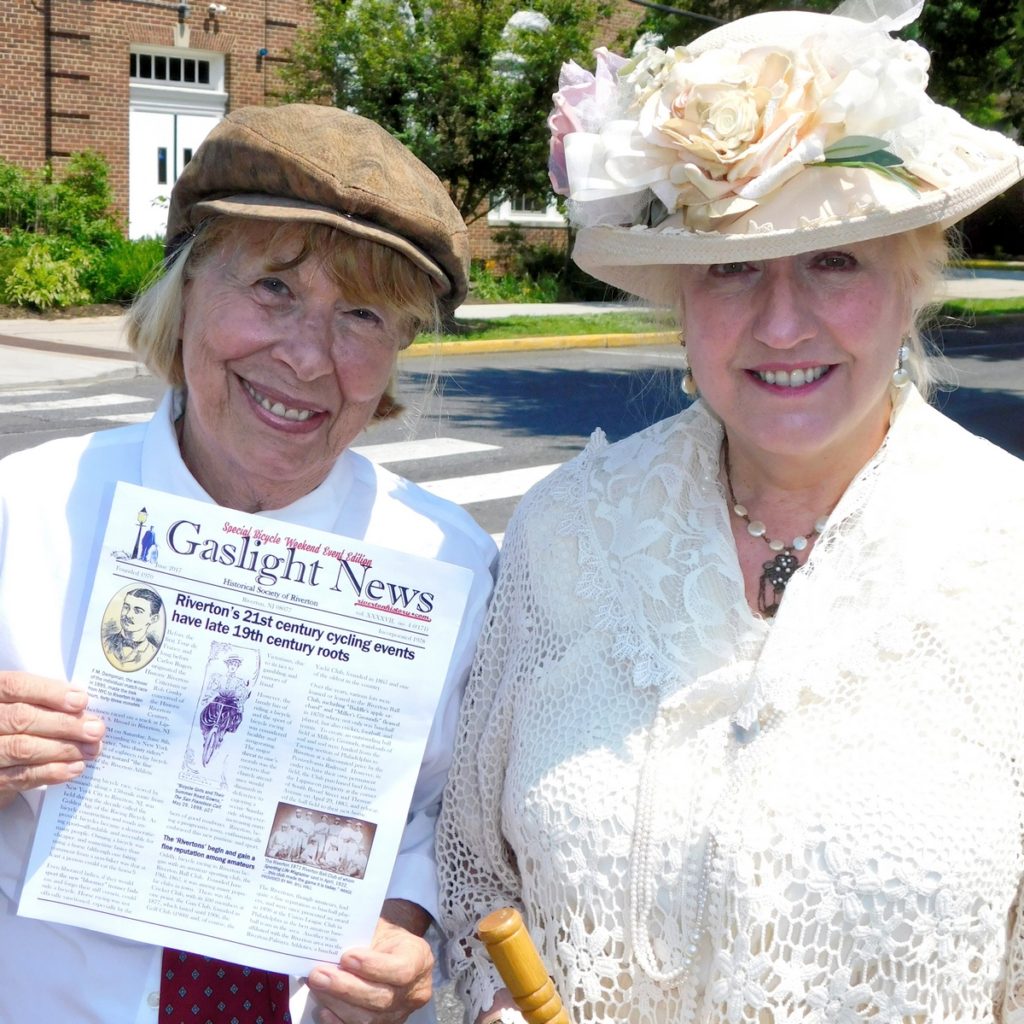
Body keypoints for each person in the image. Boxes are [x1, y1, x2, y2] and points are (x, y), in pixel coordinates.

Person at [437, 3, 1024, 1022]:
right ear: (676, 297)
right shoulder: (562, 534)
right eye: (731, 268)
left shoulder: (1003, 547)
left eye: (834, 259)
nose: (781, 321)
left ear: (911, 279)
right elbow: (472, 879)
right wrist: (490, 997)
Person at [0, 103, 496, 1024]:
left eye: (361, 316)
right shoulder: (19, 513)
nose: (308, 358)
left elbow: (439, 816)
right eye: (273, 290)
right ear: (186, 290)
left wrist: (407, 927)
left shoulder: (447, 566)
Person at [102, 586, 164, 670]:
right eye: (126, 607)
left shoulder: (153, 653)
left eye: (138, 611)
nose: (128, 615)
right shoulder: (105, 641)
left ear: (153, 619)